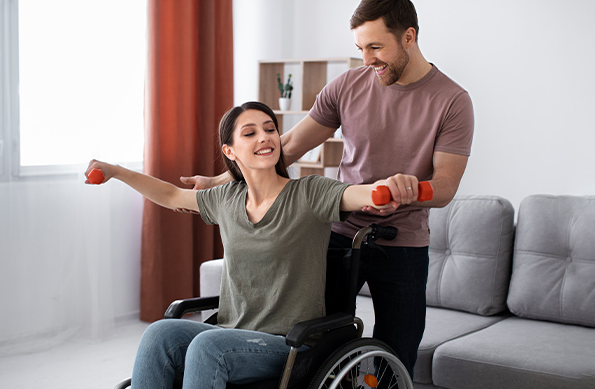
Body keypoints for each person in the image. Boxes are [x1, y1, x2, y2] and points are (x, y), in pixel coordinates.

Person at [180, 0, 474, 378]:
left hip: (402, 243)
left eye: (375, 47)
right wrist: (219, 179)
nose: (367, 60)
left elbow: (446, 186)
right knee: (320, 343)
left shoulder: (452, 100)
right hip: (338, 234)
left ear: (409, 36)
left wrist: (412, 189)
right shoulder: (348, 85)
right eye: (360, 48)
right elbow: (288, 147)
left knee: (398, 351)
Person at [87, 101, 414, 389]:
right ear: (230, 151)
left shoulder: (309, 193)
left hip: (287, 344)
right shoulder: (225, 198)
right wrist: (116, 172)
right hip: (231, 331)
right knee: (159, 334)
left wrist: (388, 188)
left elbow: (360, 194)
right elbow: (172, 195)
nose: (265, 137)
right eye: (250, 132)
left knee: (207, 346)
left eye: (270, 129)